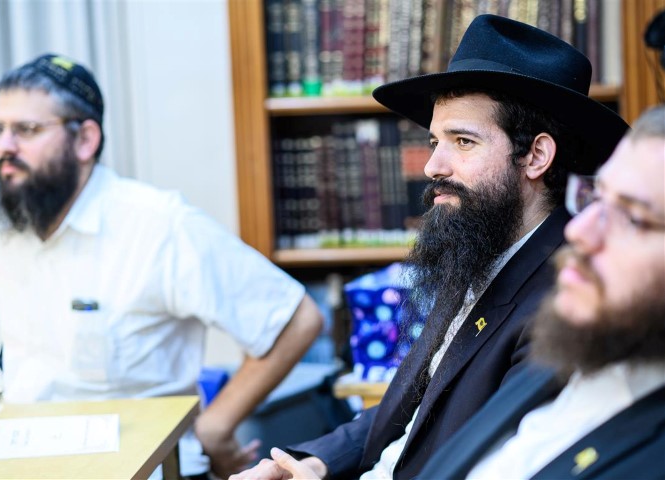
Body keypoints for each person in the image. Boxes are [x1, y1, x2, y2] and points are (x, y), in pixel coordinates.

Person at [230, 14, 629, 480]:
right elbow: (410, 411)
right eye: (435, 141)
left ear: (536, 156)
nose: (433, 166)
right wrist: (312, 463)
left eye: (463, 142)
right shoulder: (483, 247)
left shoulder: (566, 303)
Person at [0, 53, 324, 480]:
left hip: (145, 467)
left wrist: (216, 427)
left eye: (26, 130)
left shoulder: (158, 225)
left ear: (85, 140)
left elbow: (296, 318)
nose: (4, 147)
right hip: (18, 462)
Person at [410, 104, 665, 480]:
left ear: (536, 157)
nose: (579, 231)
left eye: (632, 218)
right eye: (595, 198)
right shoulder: (565, 356)